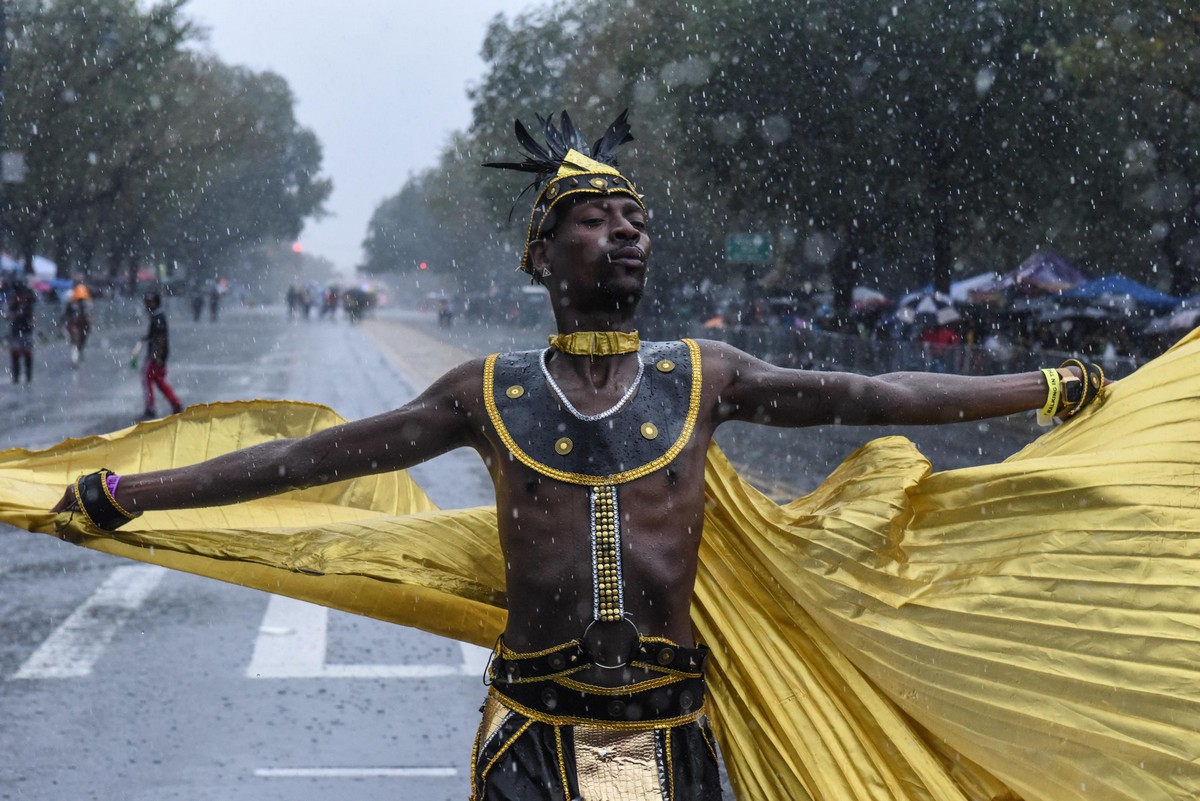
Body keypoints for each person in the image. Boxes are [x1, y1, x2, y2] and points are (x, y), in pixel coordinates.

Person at [52, 113, 1109, 800]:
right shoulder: (489, 392)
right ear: (543, 258)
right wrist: (136, 490)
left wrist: (1046, 387)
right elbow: (308, 460)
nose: (628, 236)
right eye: (599, 222)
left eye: (637, 222)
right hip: (532, 736)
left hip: (675, 728)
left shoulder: (707, 375)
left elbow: (881, 393)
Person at [137, 290, 184, 418]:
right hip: (158, 354)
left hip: (155, 355)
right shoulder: (157, 316)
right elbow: (157, 335)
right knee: (158, 380)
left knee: (146, 378)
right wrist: (147, 337)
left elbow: (161, 338)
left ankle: (150, 408)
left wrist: (157, 355)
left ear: (155, 303)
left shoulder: (158, 317)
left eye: (149, 302)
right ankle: (176, 404)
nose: (147, 305)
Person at [7, 276, 37, 383]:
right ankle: (16, 376)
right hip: (16, 330)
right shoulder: (13, 301)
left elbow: (32, 313)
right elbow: (9, 314)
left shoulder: (29, 299)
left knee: (27, 353)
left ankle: (28, 376)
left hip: (26, 330)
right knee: (15, 353)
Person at [61, 289, 91, 367]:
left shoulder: (81, 303)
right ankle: (75, 359)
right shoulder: (70, 306)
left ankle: (78, 355)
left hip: (81, 325)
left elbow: (86, 315)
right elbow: (65, 316)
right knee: (75, 343)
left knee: (81, 342)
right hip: (74, 326)